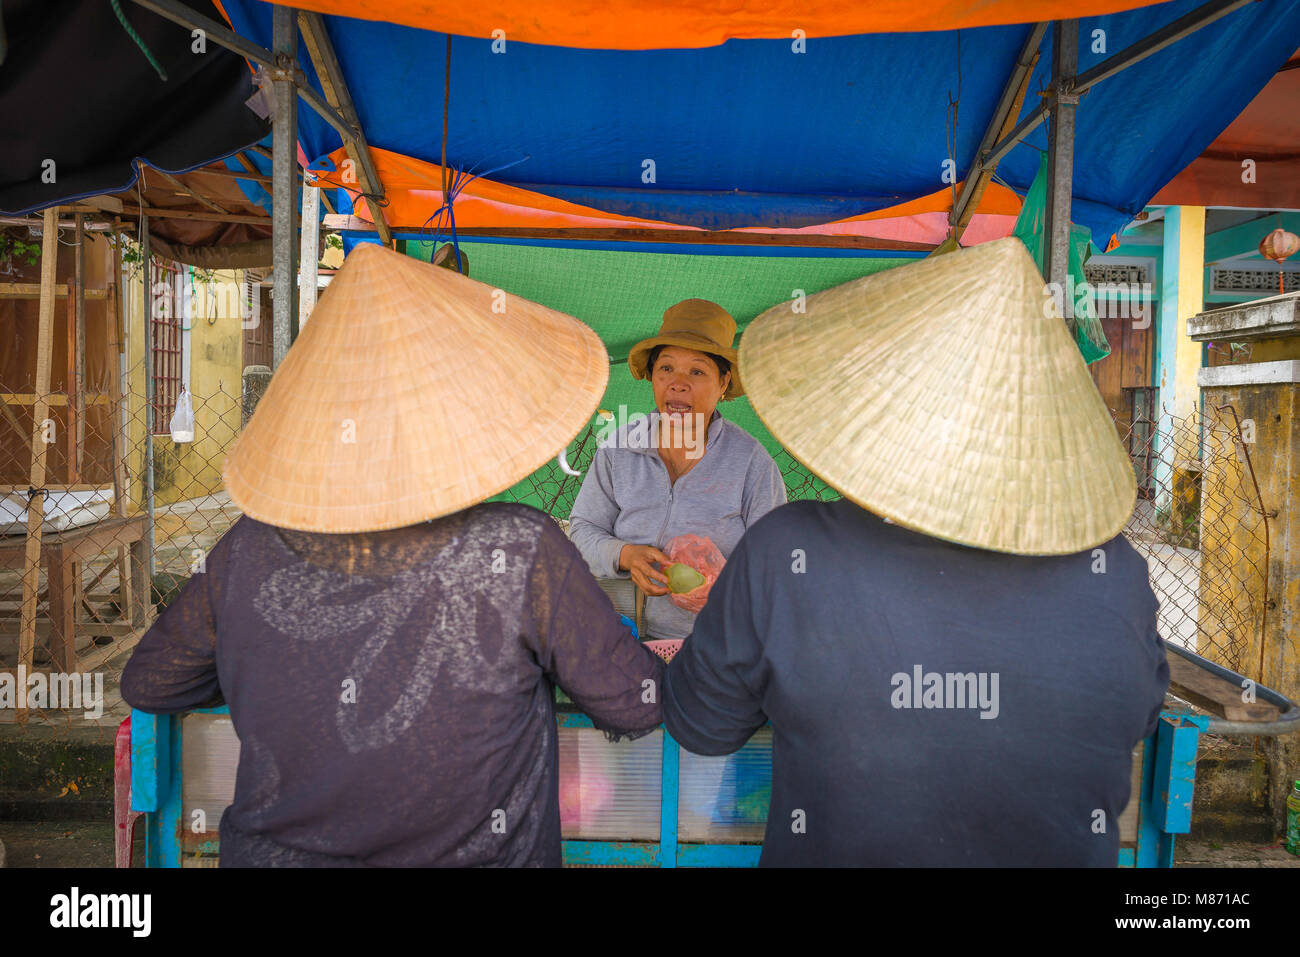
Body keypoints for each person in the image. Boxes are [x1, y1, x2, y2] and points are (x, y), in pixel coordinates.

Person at [120, 243, 665, 867]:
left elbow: (151, 680)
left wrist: (277, 665)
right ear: (465, 423)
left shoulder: (248, 547)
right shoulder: (519, 549)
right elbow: (636, 703)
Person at [662, 238, 1170, 866]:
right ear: (1045, 426)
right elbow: (1137, 714)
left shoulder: (786, 551)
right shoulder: (1116, 573)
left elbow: (702, 723)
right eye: (666, 370)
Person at [568, 298, 786, 641]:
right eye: (666, 368)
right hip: (617, 635)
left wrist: (722, 586)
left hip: (711, 647)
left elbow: (775, 567)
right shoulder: (619, 448)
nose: (677, 383)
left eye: (697, 371)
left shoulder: (752, 465)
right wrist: (624, 555)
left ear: (724, 382)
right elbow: (582, 531)